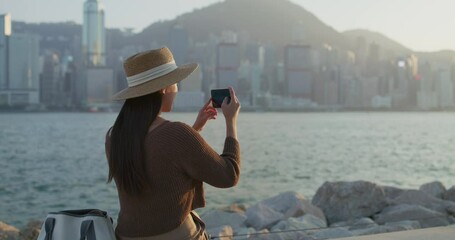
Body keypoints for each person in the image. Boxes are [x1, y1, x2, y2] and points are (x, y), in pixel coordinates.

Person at [105, 47, 241, 240]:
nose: (177, 89)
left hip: (125, 236)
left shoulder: (114, 137)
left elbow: (159, 158)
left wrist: (196, 128)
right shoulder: (177, 133)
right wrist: (231, 122)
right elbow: (229, 175)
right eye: (176, 83)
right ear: (164, 88)